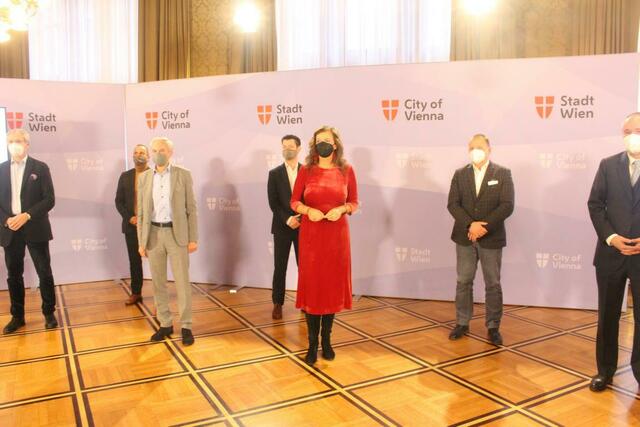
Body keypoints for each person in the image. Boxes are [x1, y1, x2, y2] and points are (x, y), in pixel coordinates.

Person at [290, 126, 359, 365]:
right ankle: (311, 345)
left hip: (337, 238)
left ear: (336, 144)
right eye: (319, 141)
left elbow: (354, 202)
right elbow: (294, 201)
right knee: (314, 288)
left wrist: (341, 209)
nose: (323, 145)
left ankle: (327, 341)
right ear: (313, 145)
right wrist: (308, 210)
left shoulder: (346, 170)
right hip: (312, 236)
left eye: (327, 141)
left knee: (330, 289)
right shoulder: (306, 171)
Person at [587, 112, 640, 392]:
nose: (633, 135)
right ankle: (604, 371)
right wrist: (611, 237)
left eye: (638, 129)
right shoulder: (608, 165)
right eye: (628, 131)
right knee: (607, 315)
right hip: (611, 254)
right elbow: (595, 205)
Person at [446, 134, 514, 346]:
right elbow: (453, 204)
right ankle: (462, 322)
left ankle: (493, 326)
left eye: (480, 147)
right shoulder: (459, 175)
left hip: (491, 238)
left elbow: (507, 205)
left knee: (492, 283)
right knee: (463, 281)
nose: (476, 150)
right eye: (472, 147)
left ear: (489, 149)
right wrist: (470, 225)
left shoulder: (502, 173)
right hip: (464, 236)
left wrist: (483, 227)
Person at [137, 137, 198, 346]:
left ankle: (186, 325)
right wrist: (141, 242)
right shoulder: (144, 178)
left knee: (182, 282)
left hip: (177, 234)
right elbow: (143, 213)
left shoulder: (183, 175)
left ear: (170, 153)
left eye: (161, 150)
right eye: (154, 150)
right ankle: (165, 323)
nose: (157, 154)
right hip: (153, 234)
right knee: (158, 283)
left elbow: (191, 209)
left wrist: (193, 238)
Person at [0, 129, 57, 334]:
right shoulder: (1, 169)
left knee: (44, 271)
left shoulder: (40, 168)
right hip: (10, 230)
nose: (15, 144)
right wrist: (7, 220)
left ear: (27, 144)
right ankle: (17, 316)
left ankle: (49, 313)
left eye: (19, 141)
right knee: (14, 274)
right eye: (11, 141)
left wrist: (27, 215)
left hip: (35, 227)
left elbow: (49, 199)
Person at [267, 135, 302, 319]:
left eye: (290, 146)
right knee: (279, 267)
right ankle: (277, 303)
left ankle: (305, 302)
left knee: (303, 267)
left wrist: (300, 219)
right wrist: (288, 219)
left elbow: (311, 199)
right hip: (281, 227)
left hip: (304, 227)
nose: (287, 149)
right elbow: (273, 203)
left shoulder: (307, 172)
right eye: (284, 146)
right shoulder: (274, 174)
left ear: (299, 148)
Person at [115, 144, 150, 305]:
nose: (138, 155)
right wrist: (130, 218)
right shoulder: (125, 176)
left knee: (157, 261)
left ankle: (160, 296)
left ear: (148, 156)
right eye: (136, 152)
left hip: (152, 226)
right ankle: (136, 293)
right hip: (131, 225)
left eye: (142, 152)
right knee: (134, 261)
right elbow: (119, 201)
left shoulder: (155, 175)